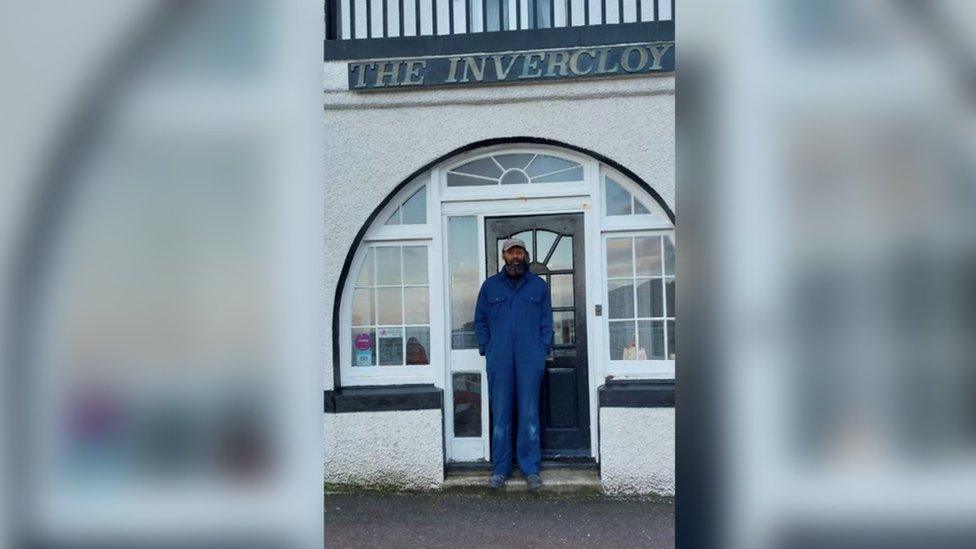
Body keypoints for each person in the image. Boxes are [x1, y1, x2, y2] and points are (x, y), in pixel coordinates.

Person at [474, 237, 553, 491]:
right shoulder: (489, 287)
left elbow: (546, 321)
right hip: (500, 358)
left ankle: (531, 469)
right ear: (504, 256)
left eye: (519, 252)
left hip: (531, 357)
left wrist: (542, 350)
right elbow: (480, 320)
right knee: (501, 414)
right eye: (511, 253)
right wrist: (487, 347)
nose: (515, 257)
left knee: (529, 414)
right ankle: (500, 469)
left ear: (525, 255)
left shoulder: (538, 287)